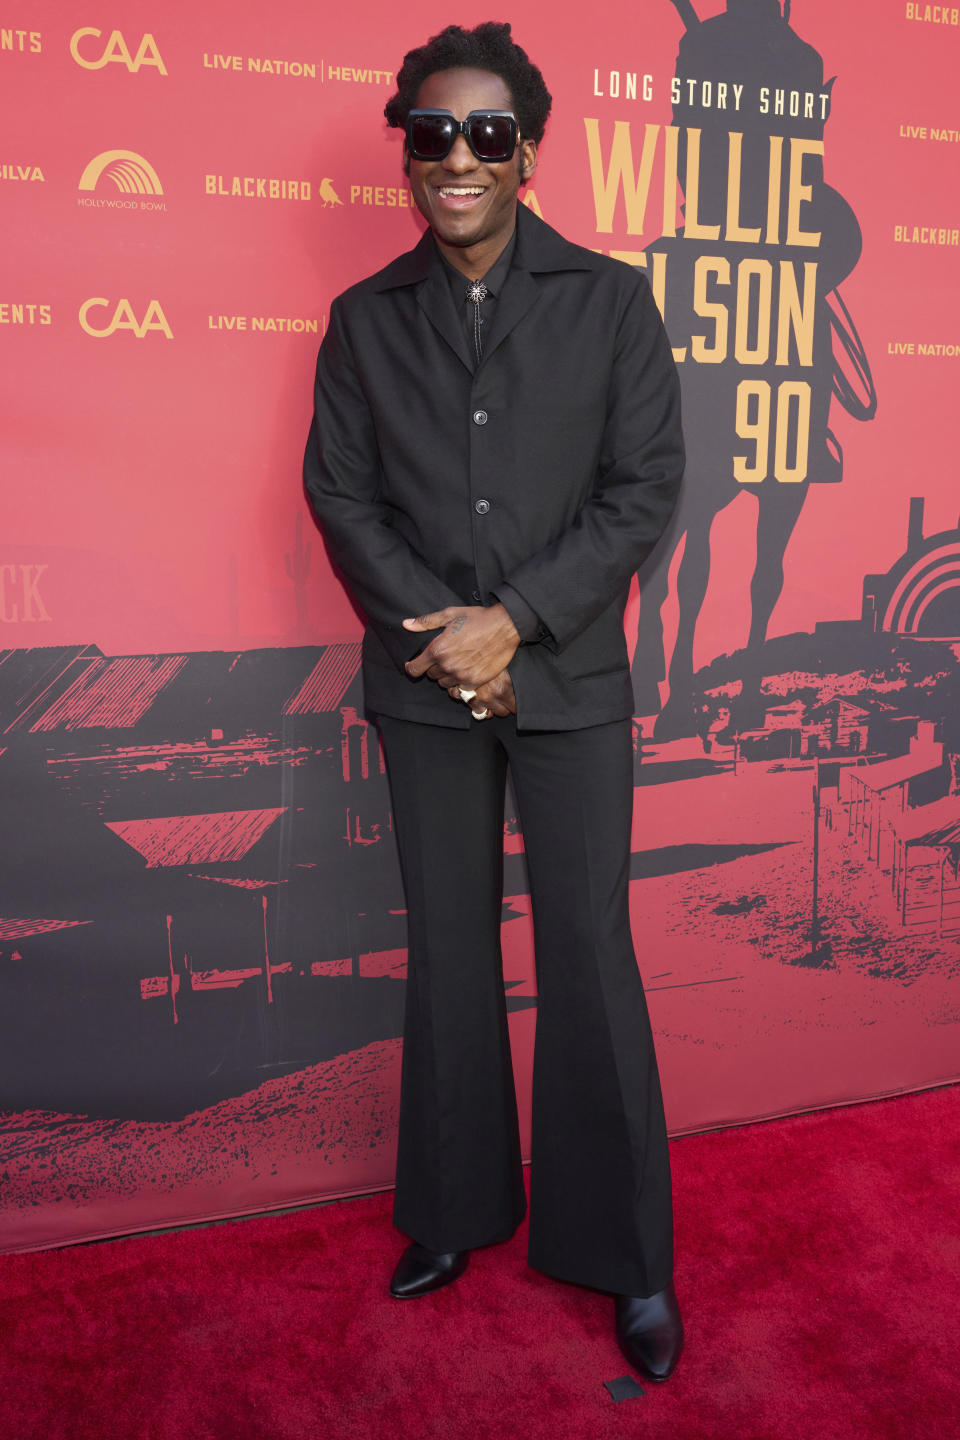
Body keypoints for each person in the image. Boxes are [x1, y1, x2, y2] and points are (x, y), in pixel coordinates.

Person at [304, 21, 685, 1382]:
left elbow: (644, 489)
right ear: (406, 152)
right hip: (426, 688)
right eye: (430, 133)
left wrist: (514, 622)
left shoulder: (611, 301)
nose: (453, 157)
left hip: (570, 681)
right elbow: (342, 499)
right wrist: (449, 638)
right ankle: (453, 1213)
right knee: (452, 957)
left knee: (589, 957)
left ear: (527, 154)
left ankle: (627, 1256)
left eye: (483, 134)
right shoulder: (363, 322)